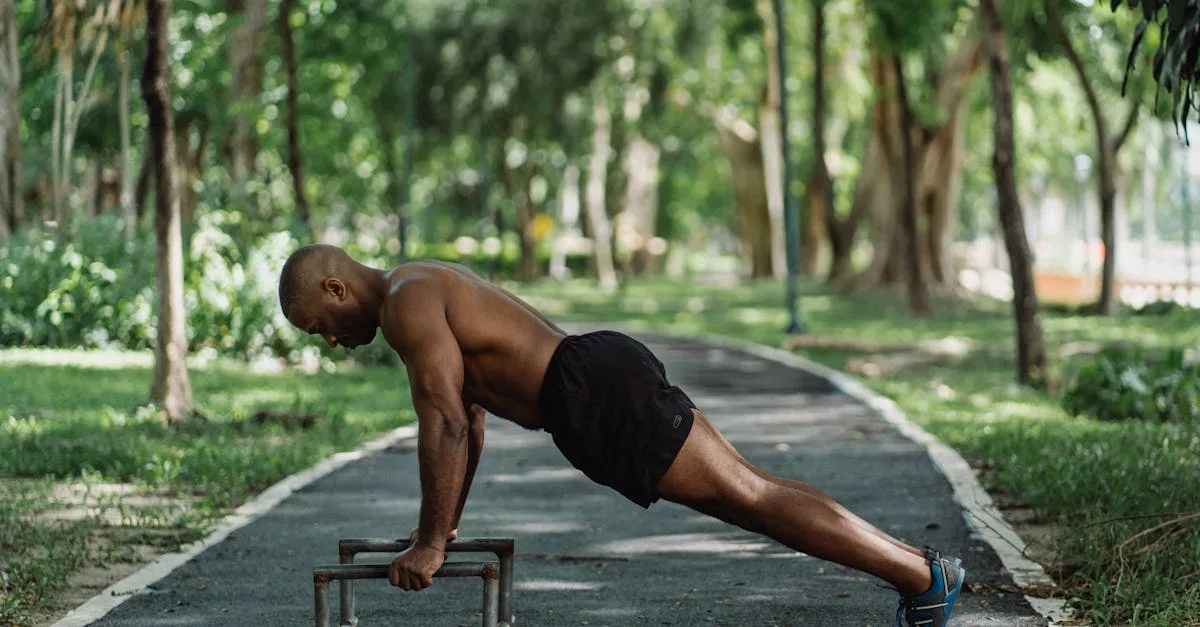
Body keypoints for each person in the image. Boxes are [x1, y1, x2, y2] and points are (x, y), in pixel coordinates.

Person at [277, 244, 967, 627]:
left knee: (753, 497)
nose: (331, 341)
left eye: (319, 327)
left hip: (591, 391)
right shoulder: (417, 282)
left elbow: (447, 422)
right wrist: (443, 526)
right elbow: (471, 420)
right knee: (752, 492)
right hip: (592, 384)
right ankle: (923, 570)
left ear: (336, 288)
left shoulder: (405, 304)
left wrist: (429, 544)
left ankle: (923, 577)